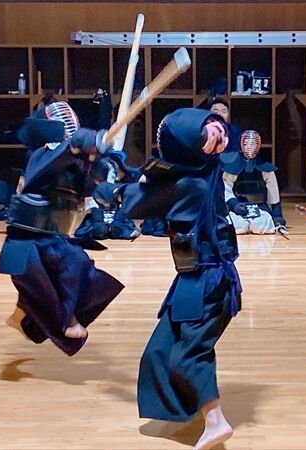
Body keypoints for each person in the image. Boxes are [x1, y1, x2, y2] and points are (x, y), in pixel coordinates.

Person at [94, 108, 241, 450]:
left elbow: (133, 202)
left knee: (187, 355)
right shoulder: (204, 167)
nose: (219, 133)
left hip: (207, 284)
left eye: (217, 129)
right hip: (198, 280)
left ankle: (216, 421)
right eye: (210, 130)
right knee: (159, 351)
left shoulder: (190, 184)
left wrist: (106, 181)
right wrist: (122, 165)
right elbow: (160, 175)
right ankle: (188, 410)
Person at [0, 101, 124, 356]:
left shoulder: (74, 163)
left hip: (53, 236)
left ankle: (19, 318)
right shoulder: (41, 156)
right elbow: (55, 160)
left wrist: (108, 167)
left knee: (50, 282)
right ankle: (67, 319)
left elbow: (90, 182)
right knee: (67, 269)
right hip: (28, 238)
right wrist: (77, 145)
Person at [221, 130, 286, 234]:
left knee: (263, 225)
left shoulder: (266, 169)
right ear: (242, 145)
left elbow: (273, 194)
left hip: (259, 207)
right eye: (247, 144)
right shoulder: (232, 168)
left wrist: (277, 215)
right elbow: (225, 189)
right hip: (238, 206)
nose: (250, 147)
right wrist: (234, 205)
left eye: (254, 144)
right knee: (239, 226)